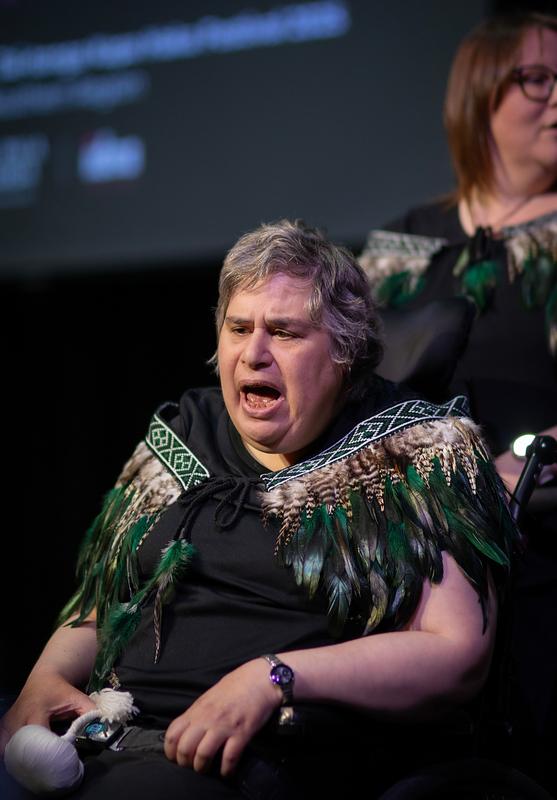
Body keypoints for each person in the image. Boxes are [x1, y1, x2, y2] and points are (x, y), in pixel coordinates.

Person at [0, 220, 517, 799]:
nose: (254, 354)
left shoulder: (421, 452)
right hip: (104, 735)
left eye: (284, 332)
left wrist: (272, 679)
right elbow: (108, 603)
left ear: (345, 351)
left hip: (259, 761)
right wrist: (44, 677)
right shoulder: (181, 435)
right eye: (238, 328)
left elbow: (455, 653)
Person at [358, 12, 557, 793]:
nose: (556, 98)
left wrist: (523, 464)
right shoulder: (407, 240)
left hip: (538, 547)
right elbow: (344, 382)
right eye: (537, 79)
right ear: (478, 96)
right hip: (408, 563)